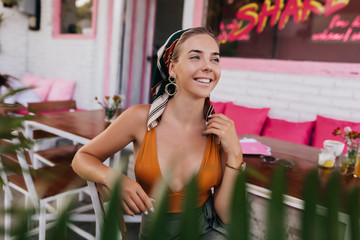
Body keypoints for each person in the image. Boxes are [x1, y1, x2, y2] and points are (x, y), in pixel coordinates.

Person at [72, 27, 244, 239]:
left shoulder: (220, 131)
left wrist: (236, 156)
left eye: (215, 59)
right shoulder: (139, 118)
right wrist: (115, 179)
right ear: (172, 68)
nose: (208, 67)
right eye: (195, 57)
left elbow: (225, 215)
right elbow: (82, 158)